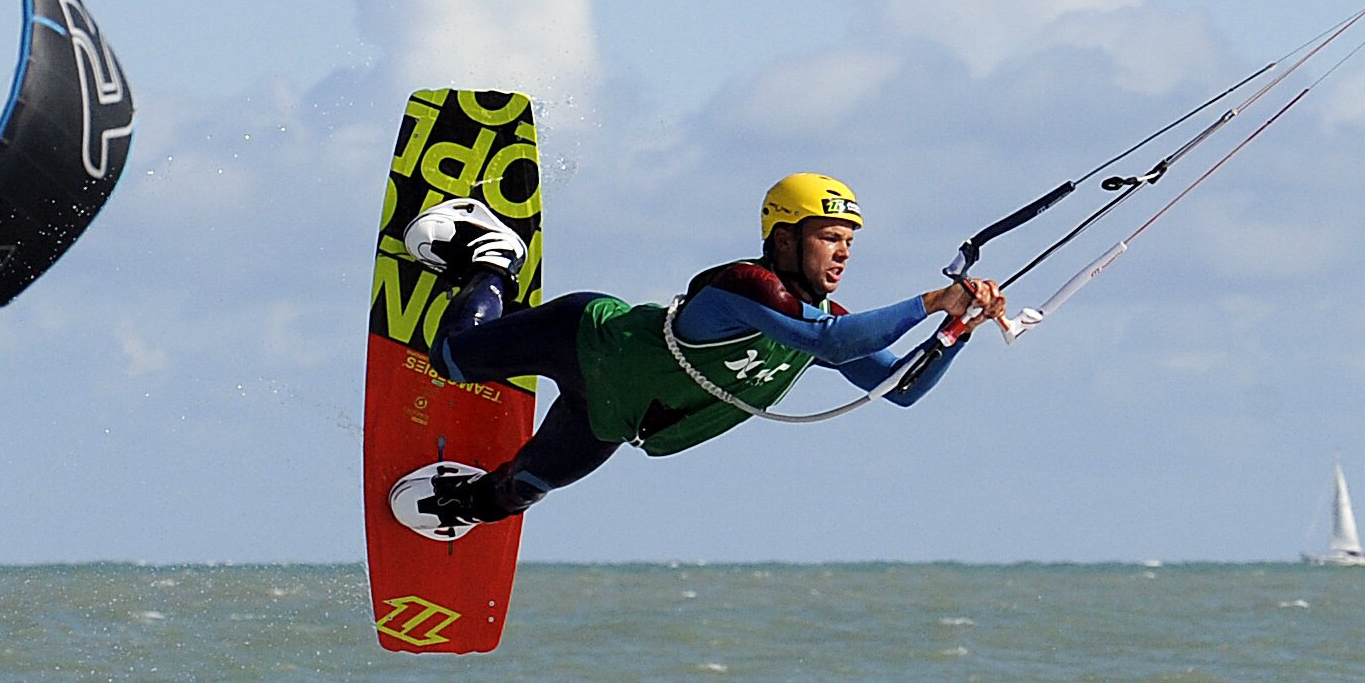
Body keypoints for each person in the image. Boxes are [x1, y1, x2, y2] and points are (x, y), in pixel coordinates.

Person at [392, 173, 1007, 532]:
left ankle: (462, 500)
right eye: (829, 237)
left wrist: (957, 331)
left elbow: (901, 388)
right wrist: (934, 301)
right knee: (449, 359)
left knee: (517, 492)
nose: (843, 252)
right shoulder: (747, 287)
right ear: (785, 238)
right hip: (586, 340)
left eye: (849, 240)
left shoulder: (823, 325)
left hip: (608, 417)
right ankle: (493, 260)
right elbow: (831, 343)